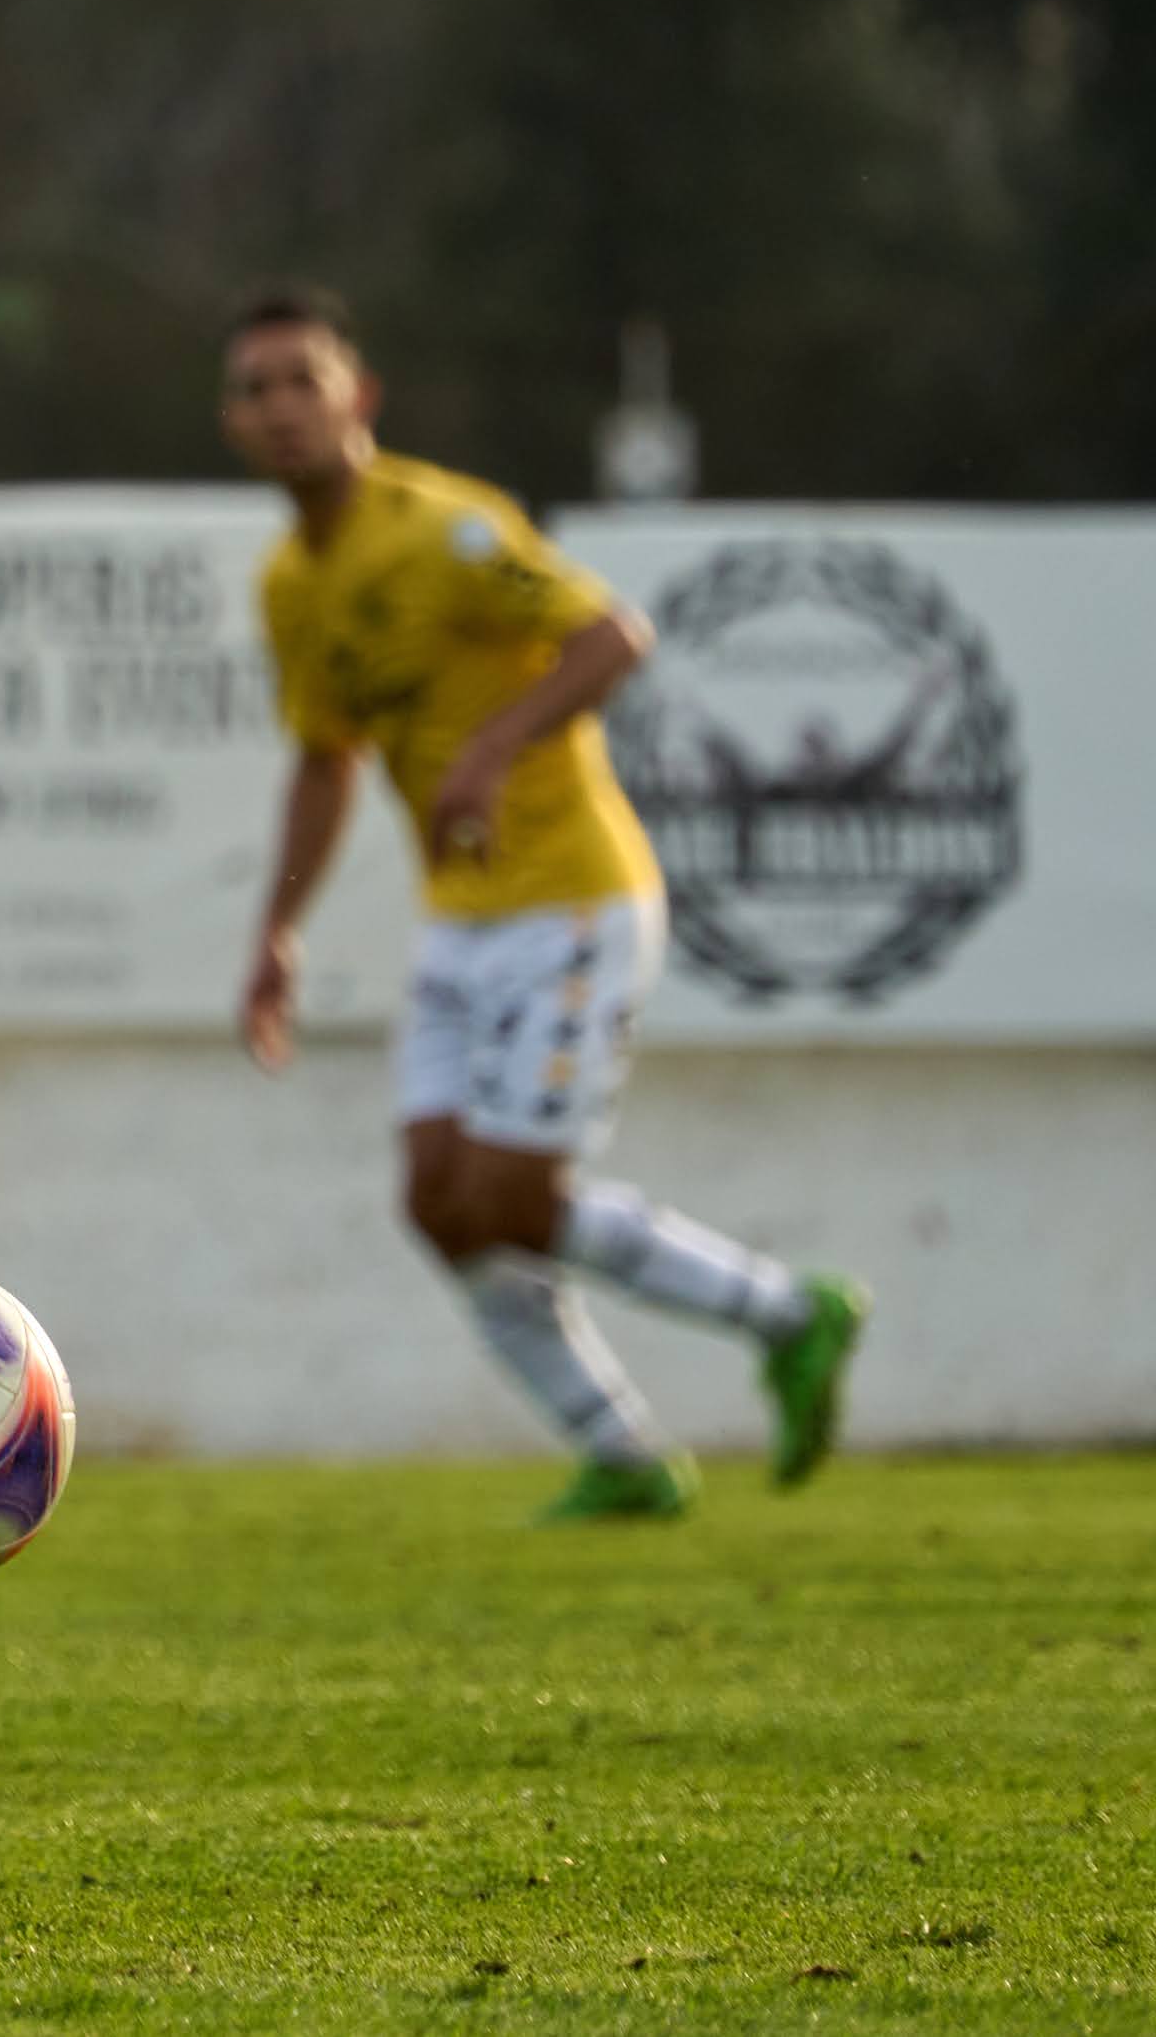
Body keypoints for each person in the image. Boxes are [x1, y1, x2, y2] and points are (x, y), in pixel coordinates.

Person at [222, 285, 867, 1519]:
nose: (277, 408)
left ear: (356, 396)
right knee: (435, 1201)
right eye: (252, 390)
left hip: (573, 897)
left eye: (300, 380)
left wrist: (490, 747)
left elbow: (611, 638)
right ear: (232, 423)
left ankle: (789, 1312)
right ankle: (622, 1457)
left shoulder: (445, 529)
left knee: (513, 1195)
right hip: (460, 920)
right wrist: (276, 935)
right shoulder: (289, 583)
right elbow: (324, 756)